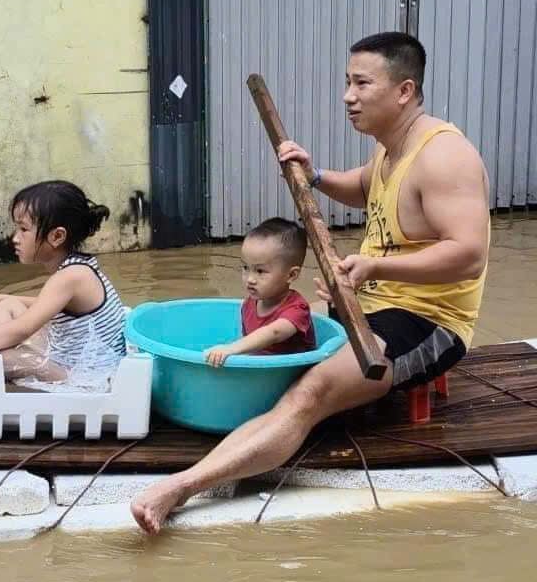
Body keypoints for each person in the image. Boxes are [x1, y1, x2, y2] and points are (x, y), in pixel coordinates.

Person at [131, 31, 490, 535]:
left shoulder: (443, 155)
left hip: (429, 322)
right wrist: (314, 174)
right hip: (370, 308)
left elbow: (468, 255)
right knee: (284, 369)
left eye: (362, 83)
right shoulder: (390, 150)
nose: (348, 95)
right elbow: (364, 188)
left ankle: (181, 487)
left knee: (309, 394)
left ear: (404, 90)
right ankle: (209, 468)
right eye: (347, 82)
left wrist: (374, 268)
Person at [0, 180, 125, 394]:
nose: (15, 239)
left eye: (23, 230)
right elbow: (47, 306)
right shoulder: (76, 268)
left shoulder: (70, 276)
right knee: (8, 305)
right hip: (75, 356)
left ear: (56, 236)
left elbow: (23, 329)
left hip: (85, 375)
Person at [203, 217, 315, 367]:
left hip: (294, 376)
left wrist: (230, 349)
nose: (250, 279)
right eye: (245, 268)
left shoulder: (297, 309)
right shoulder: (248, 305)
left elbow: (274, 333)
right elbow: (250, 346)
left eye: (260, 271)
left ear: (291, 275)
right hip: (263, 373)